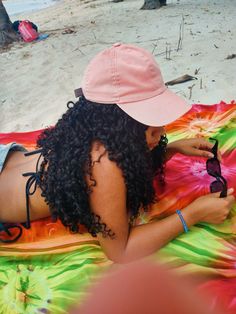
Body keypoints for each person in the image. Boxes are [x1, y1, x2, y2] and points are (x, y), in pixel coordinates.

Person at [0, 43, 234, 263]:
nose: (161, 132)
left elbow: (128, 164)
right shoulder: (102, 164)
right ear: (122, 124)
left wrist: (171, 149)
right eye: (152, 128)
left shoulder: (94, 134)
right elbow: (119, 251)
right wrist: (192, 215)